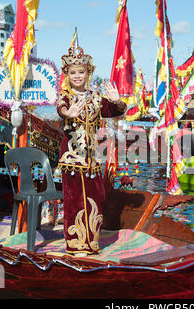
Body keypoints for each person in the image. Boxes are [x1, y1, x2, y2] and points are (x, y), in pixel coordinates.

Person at [56, 46, 126, 256]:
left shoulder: (96, 98)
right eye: (73, 72)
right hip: (71, 157)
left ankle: (92, 243)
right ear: (67, 75)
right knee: (74, 201)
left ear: (88, 74)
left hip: (92, 159)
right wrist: (70, 112)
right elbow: (61, 110)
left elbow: (116, 111)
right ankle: (75, 245)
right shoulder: (65, 97)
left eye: (81, 72)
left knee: (95, 198)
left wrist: (116, 100)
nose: (77, 76)